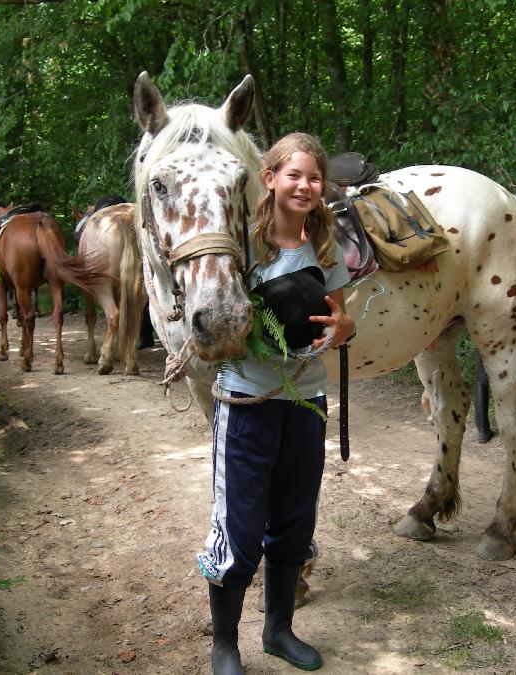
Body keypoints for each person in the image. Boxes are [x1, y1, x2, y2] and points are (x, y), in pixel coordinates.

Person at [197, 133, 355, 674]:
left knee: (293, 524)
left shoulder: (327, 248)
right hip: (246, 403)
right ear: (269, 179)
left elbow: (340, 317)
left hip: (306, 403)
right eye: (294, 175)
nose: (305, 186)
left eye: (314, 177)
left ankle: (279, 630)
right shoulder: (239, 245)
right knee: (238, 530)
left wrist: (344, 328)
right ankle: (224, 647)